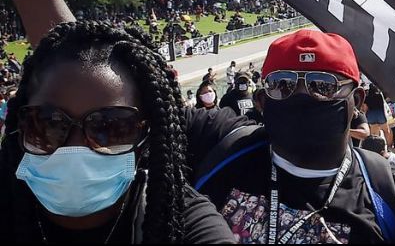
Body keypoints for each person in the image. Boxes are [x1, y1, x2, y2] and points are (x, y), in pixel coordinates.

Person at [0, 0, 395, 243]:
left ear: (357, 99)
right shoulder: (222, 145)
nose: (302, 95)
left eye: (323, 86)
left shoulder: (394, 195)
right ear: (263, 102)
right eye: (284, 85)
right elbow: (101, 84)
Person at [0, 21, 232, 243]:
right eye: (49, 123)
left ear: (146, 134)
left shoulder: (186, 221)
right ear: (19, 126)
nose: (75, 148)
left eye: (110, 126)